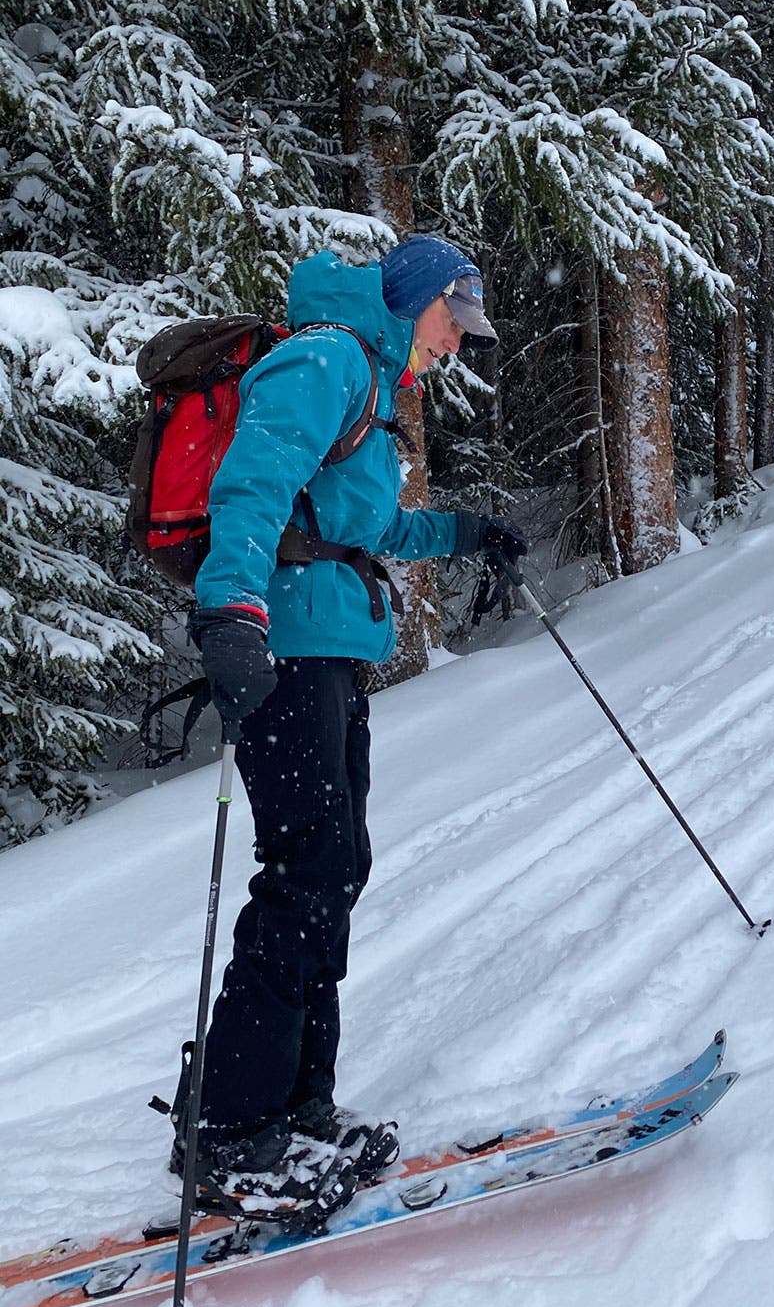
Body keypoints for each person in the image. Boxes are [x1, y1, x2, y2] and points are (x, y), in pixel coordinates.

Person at [176, 236, 526, 1216]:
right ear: (417, 301)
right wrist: (232, 610)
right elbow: (250, 485)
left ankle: (296, 1103)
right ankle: (235, 1133)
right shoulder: (327, 357)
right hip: (282, 646)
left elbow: (360, 534)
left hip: (328, 646)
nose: (455, 346)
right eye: (453, 324)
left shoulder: (368, 385)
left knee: (337, 865)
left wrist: (461, 530)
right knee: (307, 870)